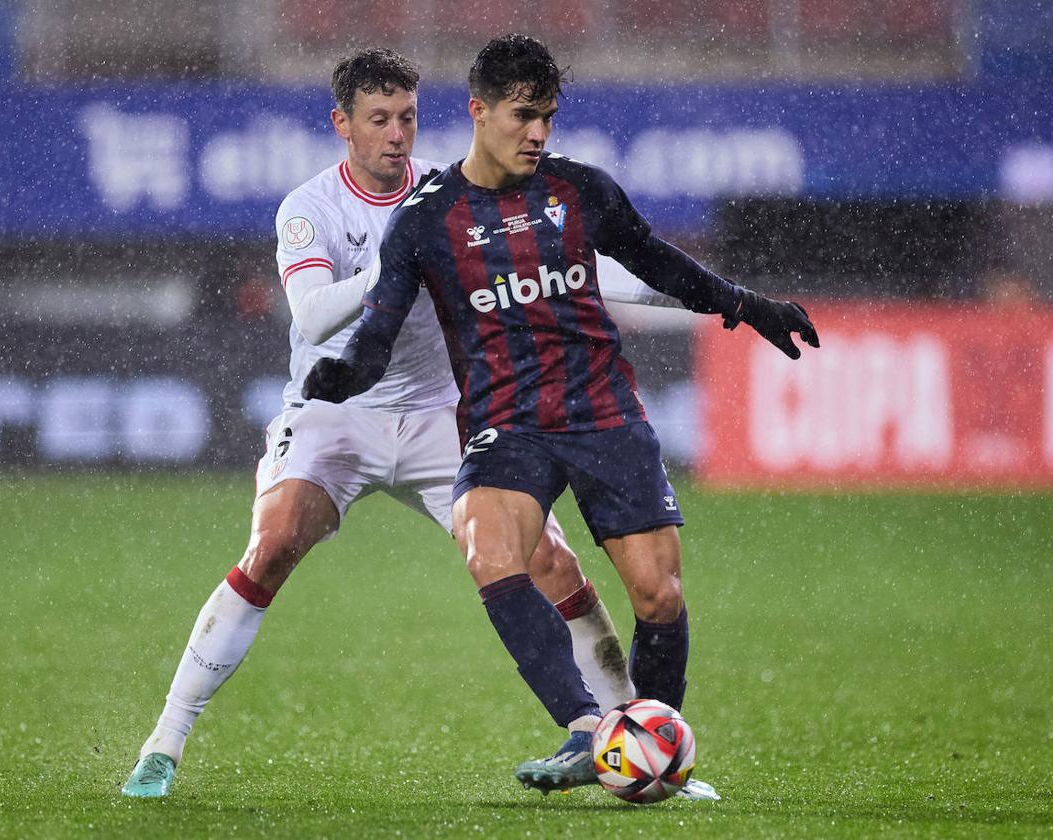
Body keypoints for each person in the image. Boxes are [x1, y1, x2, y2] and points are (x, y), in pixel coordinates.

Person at [122, 47, 651, 799]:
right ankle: (165, 741)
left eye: (406, 117)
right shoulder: (310, 210)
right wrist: (401, 257)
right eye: (378, 120)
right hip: (337, 413)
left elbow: (589, 269)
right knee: (271, 546)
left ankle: (633, 734)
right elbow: (310, 314)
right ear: (342, 124)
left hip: (443, 415)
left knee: (554, 566)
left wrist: (709, 299)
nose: (396, 135)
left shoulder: (453, 192)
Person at [302, 34, 819, 795]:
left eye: (547, 116)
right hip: (506, 422)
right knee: (490, 551)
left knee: (659, 594)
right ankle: (587, 730)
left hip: (602, 410)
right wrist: (345, 373)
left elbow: (659, 262)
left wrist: (746, 306)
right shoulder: (427, 218)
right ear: (479, 112)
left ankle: (650, 751)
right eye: (522, 116)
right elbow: (378, 330)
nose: (538, 133)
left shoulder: (582, 191)